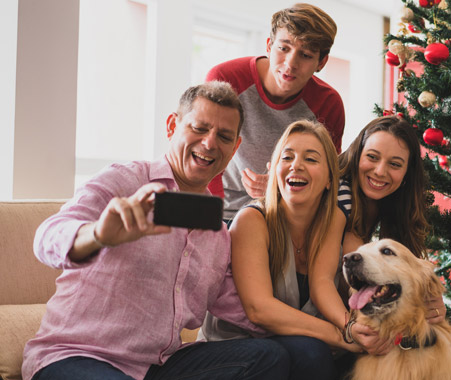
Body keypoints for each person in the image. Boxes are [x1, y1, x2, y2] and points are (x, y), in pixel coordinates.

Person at [22, 82, 289, 380]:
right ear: (173, 125)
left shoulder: (217, 234)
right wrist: (97, 234)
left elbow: (245, 310)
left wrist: (328, 325)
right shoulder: (124, 181)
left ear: (235, 147)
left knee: (272, 355)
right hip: (77, 355)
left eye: (224, 136)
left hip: (161, 367)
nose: (210, 143)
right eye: (199, 128)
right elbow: (47, 236)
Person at [199, 120, 360, 380]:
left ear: (330, 179)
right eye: (287, 157)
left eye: (311, 159)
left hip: (294, 344)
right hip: (235, 348)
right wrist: (338, 334)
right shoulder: (252, 219)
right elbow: (258, 309)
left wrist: (352, 328)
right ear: (274, 169)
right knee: (313, 353)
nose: (296, 165)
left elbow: (329, 288)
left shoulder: (333, 227)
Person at [309, 115, 447, 357]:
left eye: (395, 164)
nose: (380, 171)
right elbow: (320, 282)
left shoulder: (394, 207)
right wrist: (351, 328)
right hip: (311, 314)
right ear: (357, 154)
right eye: (372, 157)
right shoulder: (340, 194)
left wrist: (432, 303)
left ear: (407, 173)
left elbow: (404, 275)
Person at [205, 3, 345, 223]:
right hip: (219, 208)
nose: (290, 64)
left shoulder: (328, 104)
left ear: (322, 62)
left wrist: (281, 188)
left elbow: (326, 178)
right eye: (284, 48)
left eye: (306, 55)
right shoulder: (226, 78)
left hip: (285, 216)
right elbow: (205, 148)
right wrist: (211, 216)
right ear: (269, 46)